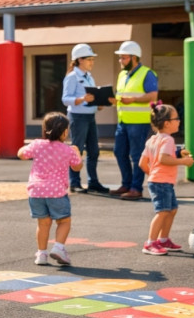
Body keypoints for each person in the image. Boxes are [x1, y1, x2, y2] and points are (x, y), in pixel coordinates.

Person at [17, 112, 83, 266]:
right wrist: (77, 152)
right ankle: (59, 247)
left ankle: (41, 254)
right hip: (57, 192)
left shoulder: (37, 145)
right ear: (65, 132)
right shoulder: (67, 150)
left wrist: (31, 147)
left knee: (43, 223)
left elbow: (21, 154)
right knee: (64, 221)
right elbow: (77, 167)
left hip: (36, 192)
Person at [138, 102, 194, 255]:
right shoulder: (168, 140)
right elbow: (163, 159)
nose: (179, 121)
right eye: (177, 118)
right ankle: (150, 243)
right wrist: (183, 161)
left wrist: (153, 174)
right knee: (163, 211)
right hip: (161, 182)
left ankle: (163, 239)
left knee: (172, 210)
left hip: (159, 181)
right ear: (167, 123)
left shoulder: (152, 140)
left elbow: (142, 163)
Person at [109, 40, 158, 200]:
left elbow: (153, 95)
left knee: (137, 156)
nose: (120, 61)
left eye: (124, 58)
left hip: (139, 122)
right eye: (120, 58)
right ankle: (126, 184)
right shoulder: (122, 75)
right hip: (123, 121)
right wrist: (112, 100)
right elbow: (121, 96)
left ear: (134, 58)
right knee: (119, 152)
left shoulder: (147, 73)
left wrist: (133, 100)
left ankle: (136, 188)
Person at [61, 43, 110, 195]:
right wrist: (82, 99)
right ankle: (74, 183)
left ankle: (93, 182)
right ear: (80, 60)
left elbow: (91, 98)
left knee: (94, 151)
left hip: (90, 117)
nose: (92, 62)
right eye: (89, 59)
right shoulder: (72, 77)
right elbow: (65, 99)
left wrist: (99, 103)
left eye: (92, 59)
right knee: (77, 150)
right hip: (77, 117)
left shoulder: (89, 77)